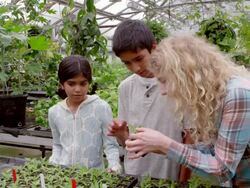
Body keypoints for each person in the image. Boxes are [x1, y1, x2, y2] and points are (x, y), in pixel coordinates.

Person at [125, 34, 250, 187]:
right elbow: (213, 152)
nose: (163, 91)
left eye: (164, 80)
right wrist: (157, 147)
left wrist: (165, 144)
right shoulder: (216, 96)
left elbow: (222, 170)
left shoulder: (238, 95)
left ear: (186, 74)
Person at [108, 19, 192, 181]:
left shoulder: (177, 84)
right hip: (134, 174)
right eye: (127, 63)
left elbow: (190, 139)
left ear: (154, 48)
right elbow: (129, 142)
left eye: (139, 59)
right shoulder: (125, 87)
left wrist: (183, 182)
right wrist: (121, 134)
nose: (135, 68)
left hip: (168, 176)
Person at [48, 55, 121, 173]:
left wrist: (114, 165)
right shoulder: (54, 112)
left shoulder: (101, 108)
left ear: (89, 83)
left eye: (83, 84)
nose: (78, 89)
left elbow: (110, 145)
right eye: (71, 84)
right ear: (62, 84)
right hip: (64, 175)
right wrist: (53, 164)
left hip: (92, 175)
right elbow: (57, 145)